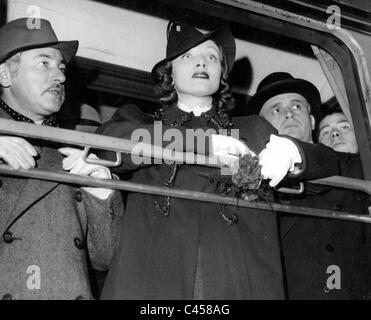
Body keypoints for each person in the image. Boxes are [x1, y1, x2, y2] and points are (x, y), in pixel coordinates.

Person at [96, 22, 345, 300]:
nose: (202, 62)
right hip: (155, 281)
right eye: (187, 56)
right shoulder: (140, 123)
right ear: (170, 74)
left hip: (239, 280)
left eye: (212, 57)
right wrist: (204, 144)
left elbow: (329, 165)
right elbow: (108, 143)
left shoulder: (254, 130)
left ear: (221, 74)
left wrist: (292, 152)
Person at [0, 18, 123, 300]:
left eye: (61, 67)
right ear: (5, 75)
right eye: (44, 63)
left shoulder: (79, 152)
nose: (60, 77)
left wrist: (102, 193)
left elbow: (106, 260)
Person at [247, 72, 371, 299]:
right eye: (276, 109)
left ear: (312, 121)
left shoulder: (354, 164)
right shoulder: (247, 172)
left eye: (297, 106)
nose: (288, 113)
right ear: (260, 124)